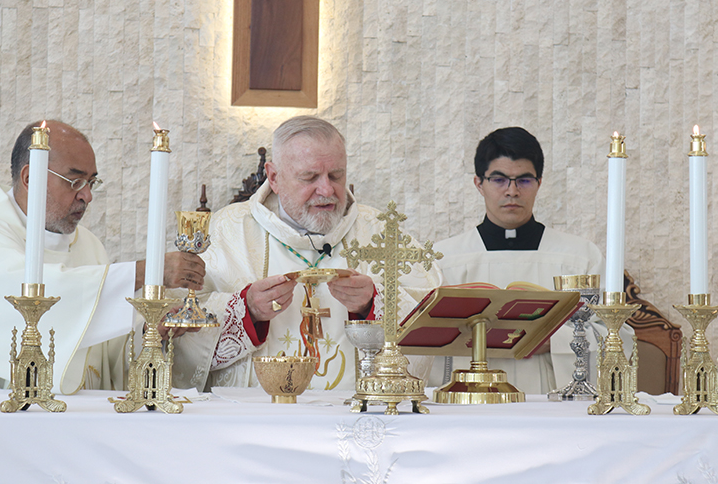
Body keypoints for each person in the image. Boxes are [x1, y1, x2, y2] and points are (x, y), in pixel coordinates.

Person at [170, 116, 442, 392]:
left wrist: (373, 304)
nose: (327, 190)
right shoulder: (225, 231)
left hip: (356, 417)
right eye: (310, 177)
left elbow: (433, 313)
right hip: (255, 419)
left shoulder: (383, 232)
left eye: (336, 176)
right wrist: (246, 311)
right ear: (274, 177)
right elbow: (176, 328)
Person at [0, 120, 205, 393]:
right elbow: (32, 305)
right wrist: (145, 272)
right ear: (31, 178)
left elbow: (102, 352)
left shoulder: (89, 245)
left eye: (91, 182)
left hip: (80, 417)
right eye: (75, 181)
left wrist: (150, 331)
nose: (87, 196)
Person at [433, 127, 628, 394]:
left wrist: (551, 340)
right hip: (470, 403)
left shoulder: (580, 257)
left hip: (555, 407)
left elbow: (617, 335)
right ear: (479, 184)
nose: (512, 191)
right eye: (499, 180)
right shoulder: (443, 260)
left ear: (539, 183)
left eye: (524, 180)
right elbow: (423, 341)